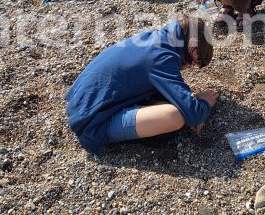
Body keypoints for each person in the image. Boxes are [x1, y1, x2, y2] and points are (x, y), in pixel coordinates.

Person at [65, 16, 218, 153]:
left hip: (80, 105)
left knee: (171, 104)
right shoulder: (162, 57)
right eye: (195, 61)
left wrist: (189, 108)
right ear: (192, 47)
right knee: (174, 117)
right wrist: (204, 102)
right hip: (93, 123)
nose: (189, 66)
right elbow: (195, 113)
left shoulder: (155, 39)